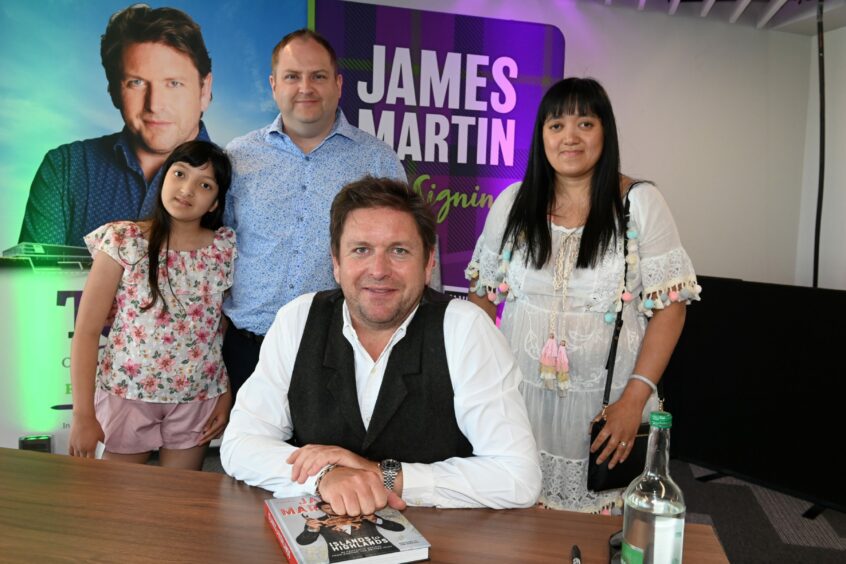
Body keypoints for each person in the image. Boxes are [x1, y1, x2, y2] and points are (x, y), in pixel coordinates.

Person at [221, 177, 540, 513]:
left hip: (443, 539)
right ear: (336, 262)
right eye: (361, 250)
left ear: (429, 261)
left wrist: (379, 475)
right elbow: (240, 444)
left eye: (398, 251)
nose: (378, 270)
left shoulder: (466, 329)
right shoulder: (298, 319)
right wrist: (326, 476)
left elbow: (517, 477)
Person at [465, 78, 701, 512]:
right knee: (515, 524)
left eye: (585, 123)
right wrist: (476, 388)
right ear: (541, 137)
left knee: (597, 532)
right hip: (519, 402)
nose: (569, 137)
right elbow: (481, 297)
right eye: (556, 126)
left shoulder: (639, 203)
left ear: (605, 133)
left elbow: (672, 309)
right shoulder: (513, 204)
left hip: (608, 408)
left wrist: (634, 399)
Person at [222, 29, 411, 400]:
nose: (305, 87)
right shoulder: (237, 157)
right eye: (292, 76)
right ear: (274, 85)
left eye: (318, 76)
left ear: (338, 84)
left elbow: (408, 251)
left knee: (331, 459)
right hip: (247, 351)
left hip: (341, 351)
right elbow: (214, 250)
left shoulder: (376, 160)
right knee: (246, 457)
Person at [68, 140, 236, 471]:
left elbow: (221, 328)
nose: (187, 189)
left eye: (204, 185)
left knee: (178, 508)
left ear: (215, 202)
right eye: (179, 174)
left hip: (197, 398)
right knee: (122, 510)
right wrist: (83, 415)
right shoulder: (122, 239)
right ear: (164, 178)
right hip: (127, 395)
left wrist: (224, 393)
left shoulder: (224, 248)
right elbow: (86, 331)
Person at [19, 4, 214, 247]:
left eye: (173, 83)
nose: (155, 104)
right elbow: (36, 282)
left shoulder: (241, 182)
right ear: (113, 91)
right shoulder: (66, 169)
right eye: (137, 82)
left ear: (204, 90)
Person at [296, 501, 405, 562]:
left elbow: (399, 528)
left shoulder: (362, 514)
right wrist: (312, 529)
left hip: (384, 555)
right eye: (328, 508)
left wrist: (376, 519)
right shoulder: (317, 522)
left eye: (336, 505)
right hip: (344, 559)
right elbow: (302, 541)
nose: (334, 509)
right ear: (321, 509)